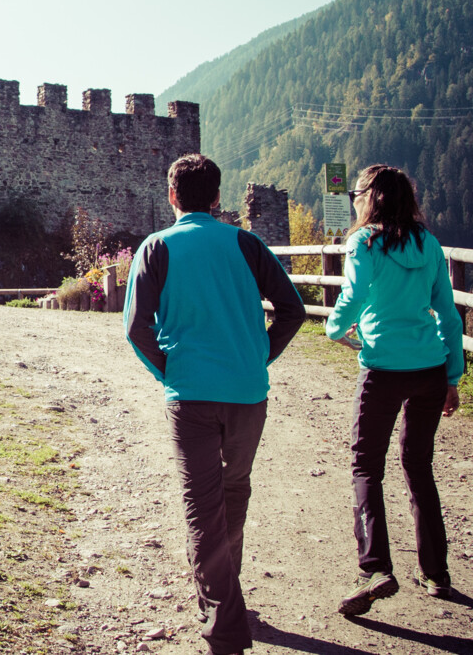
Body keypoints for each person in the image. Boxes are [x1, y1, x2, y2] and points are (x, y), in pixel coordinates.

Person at [125, 154, 306, 655]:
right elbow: (292, 310)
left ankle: (225, 627)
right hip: (248, 394)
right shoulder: (246, 243)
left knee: (202, 506)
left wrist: (170, 370)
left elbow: (136, 327)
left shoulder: (156, 247)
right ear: (217, 198)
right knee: (234, 491)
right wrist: (258, 356)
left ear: (172, 196)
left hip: (191, 396)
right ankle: (227, 594)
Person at [324, 163, 466, 616]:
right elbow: (448, 313)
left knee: (366, 466)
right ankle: (436, 574)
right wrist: (452, 377)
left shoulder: (363, 243)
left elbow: (354, 296)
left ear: (369, 197)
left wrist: (334, 328)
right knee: (419, 466)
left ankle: (376, 568)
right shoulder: (429, 243)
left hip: (383, 368)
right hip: (429, 367)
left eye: (356, 194)